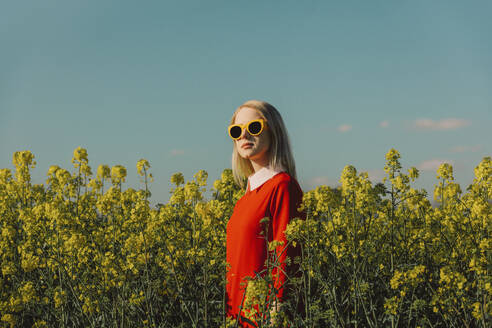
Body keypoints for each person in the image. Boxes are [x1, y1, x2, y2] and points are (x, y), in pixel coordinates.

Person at [225, 100, 306, 327]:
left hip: (265, 318)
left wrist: (277, 314)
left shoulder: (282, 186)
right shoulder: (244, 199)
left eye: (254, 127)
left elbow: (287, 258)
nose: (244, 136)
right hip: (238, 315)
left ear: (274, 131)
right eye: (236, 131)